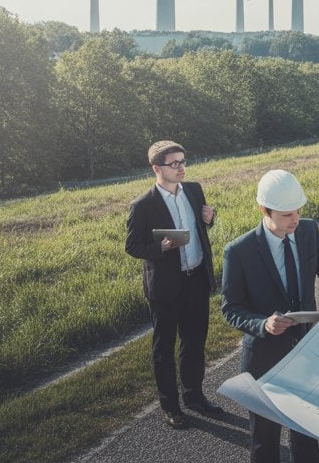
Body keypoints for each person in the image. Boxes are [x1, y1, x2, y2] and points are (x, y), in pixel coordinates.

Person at [222, 170, 319, 463]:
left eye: (297, 211)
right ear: (263, 210)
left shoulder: (308, 231)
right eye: (286, 215)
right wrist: (263, 323)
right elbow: (231, 309)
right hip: (264, 359)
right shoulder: (239, 252)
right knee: (264, 441)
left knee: (306, 433)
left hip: (306, 351)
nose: (294, 219)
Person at [125, 140, 222, 428]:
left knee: (194, 343)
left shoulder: (194, 190)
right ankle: (171, 407)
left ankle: (194, 397)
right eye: (174, 163)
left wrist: (210, 219)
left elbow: (199, 227)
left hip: (196, 279)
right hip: (166, 287)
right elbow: (132, 246)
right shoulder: (143, 205)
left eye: (183, 161)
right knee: (164, 348)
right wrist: (161, 248)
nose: (181, 167)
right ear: (157, 168)